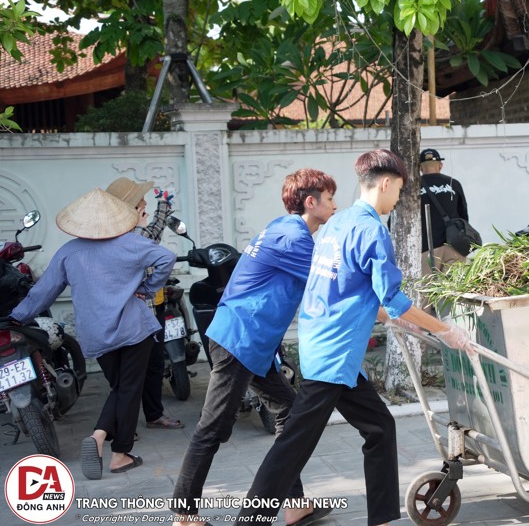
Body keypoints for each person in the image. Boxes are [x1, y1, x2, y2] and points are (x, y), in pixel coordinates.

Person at [237, 149, 472, 526]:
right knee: (292, 447)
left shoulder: (337, 224)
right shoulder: (372, 229)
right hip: (334, 356)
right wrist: (447, 330)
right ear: (385, 183)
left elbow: (347, 289)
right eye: (398, 191)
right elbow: (394, 300)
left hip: (327, 347)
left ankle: (381, 518)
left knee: (380, 427)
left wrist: (397, 320)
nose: (397, 199)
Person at [172, 169, 337, 526]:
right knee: (211, 428)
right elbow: (329, 286)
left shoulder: (283, 226)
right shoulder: (296, 240)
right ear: (311, 202)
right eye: (330, 198)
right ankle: (184, 515)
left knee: (290, 414)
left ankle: (294, 505)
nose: (335, 206)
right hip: (241, 340)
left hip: (250, 341)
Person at [9, 189, 176, 479]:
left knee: (121, 388)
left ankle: (102, 439)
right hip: (133, 329)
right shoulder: (131, 242)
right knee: (128, 389)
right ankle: (115, 450)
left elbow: (43, 292)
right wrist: (148, 288)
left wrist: (16, 317)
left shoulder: (69, 252)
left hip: (97, 334)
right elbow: (167, 257)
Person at [106, 177, 183, 431]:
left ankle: (153, 415)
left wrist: (162, 207)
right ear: (131, 208)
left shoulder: (138, 231)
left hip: (153, 307)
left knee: (154, 364)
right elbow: (150, 235)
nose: (144, 202)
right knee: (131, 373)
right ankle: (118, 426)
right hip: (132, 312)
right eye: (140, 200)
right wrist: (163, 207)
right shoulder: (125, 234)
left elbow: (152, 234)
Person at [418, 148, 471, 276]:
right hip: (454, 247)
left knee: (427, 293)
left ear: (419, 167)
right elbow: (463, 217)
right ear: (440, 165)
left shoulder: (413, 187)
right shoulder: (454, 184)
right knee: (454, 292)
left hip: (426, 249)